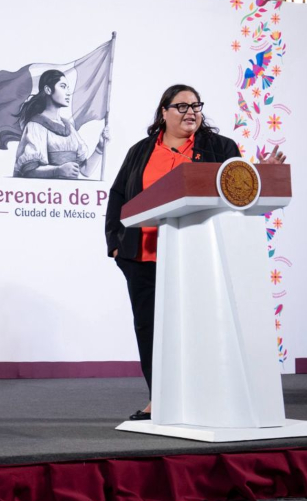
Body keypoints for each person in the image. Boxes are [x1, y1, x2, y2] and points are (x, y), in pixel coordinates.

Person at [105, 83, 286, 421]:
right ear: (164, 112)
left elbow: (238, 191)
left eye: (196, 106)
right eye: (182, 106)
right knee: (150, 329)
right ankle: (159, 399)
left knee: (200, 329)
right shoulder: (141, 151)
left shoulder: (220, 147)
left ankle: (207, 399)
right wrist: (115, 242)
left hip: (198, 258)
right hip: (143, 256)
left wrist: (261, 174)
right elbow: (119, 195)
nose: (191, 112)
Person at [12, 69, 109, 179]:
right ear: (48, 90)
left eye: (67, 88)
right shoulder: (35, 126)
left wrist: (100, 147)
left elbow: (85, 171)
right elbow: (29, 171)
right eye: (63, 86)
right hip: (47, 189)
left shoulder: (69, 127)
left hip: (72, 189)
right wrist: (57, 171)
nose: (68, 92)